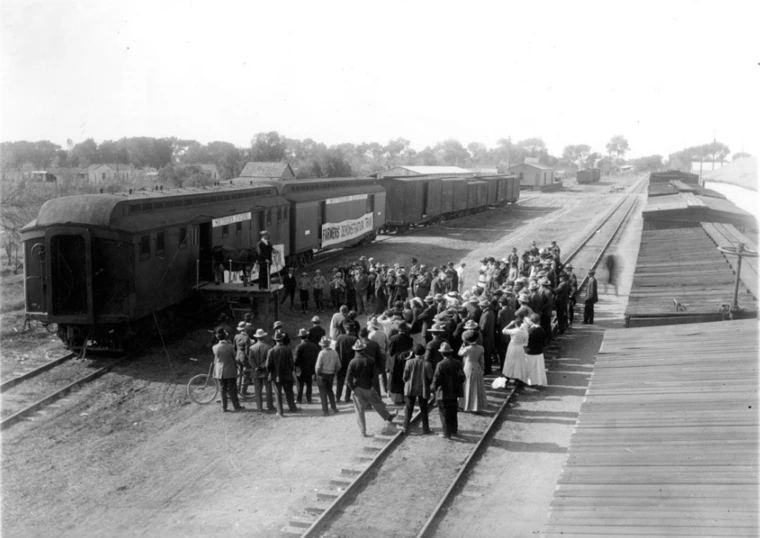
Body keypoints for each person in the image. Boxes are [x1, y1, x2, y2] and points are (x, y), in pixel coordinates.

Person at [346, 340, 398, 437]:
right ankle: (388, 417)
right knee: (378, 403)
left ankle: (363, 432)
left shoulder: (352, 362)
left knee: (359, 411)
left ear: (356, 350)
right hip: (368, 387)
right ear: (363, 349)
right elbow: (375, 375)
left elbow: (348, 379)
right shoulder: (370, 360)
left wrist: (353, 388)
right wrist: (371, 385)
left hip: (357, 388)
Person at [431, 342, 465, 439]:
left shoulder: (440, 364)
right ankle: (454, 430)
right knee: (453, 411)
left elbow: (436, 379)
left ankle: (446, 433)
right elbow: (462, 377)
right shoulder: (458, 363)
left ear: (442, 353)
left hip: (442, 392)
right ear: (450, 352)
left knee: (444, 413)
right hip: (454, 392)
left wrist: (432, 389)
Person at [401, 343, 433, 435]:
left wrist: (407, 383)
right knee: (424, 409)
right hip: (423, 389)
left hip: (410, 388)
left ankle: (405, 427)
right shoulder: (427, 364)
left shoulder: (409, 362)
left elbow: (405, 377)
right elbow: (430, 377)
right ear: (423, 353)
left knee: (409, 408)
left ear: (414, 353)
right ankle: (425, 429)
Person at [266, 330, 299, 416]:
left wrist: (271, 371)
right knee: (289, 392)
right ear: (282, 339)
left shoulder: (271, 351)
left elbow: (268, 365)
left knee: (278, 394)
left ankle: (280, 412)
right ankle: (292, 408)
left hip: (276, 375)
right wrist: (290, 370)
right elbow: (292, 364)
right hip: (287, 374)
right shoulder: (288, 349)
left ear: (275, 340)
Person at [212, 328, 243, 412]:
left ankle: (224, 407)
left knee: (222, 390)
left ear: (217, 337)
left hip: (219, 371)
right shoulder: (230, 347)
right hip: (230, 370)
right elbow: (234, 357)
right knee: (232, 389)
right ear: (225, 336)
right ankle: (236, 406)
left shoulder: (214, 348)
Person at [459, 330, 488, 413]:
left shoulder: (467, 349)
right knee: (477, 387)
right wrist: (482, 369)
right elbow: (482, 360)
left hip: (468, 368)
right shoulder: (481, 348)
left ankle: (464, 405)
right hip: (477, 367)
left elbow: (459, 353)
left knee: (467, 386)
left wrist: (462, 345)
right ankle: (476, 407)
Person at [387, 321, 413, 404]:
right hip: (406, 359)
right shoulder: (409, 339)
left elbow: (390, 352)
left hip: (396, 361)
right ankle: (405, 397)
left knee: (395, 378)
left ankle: (397, 399)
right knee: (405, 377)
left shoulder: (393, 338)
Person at [247, 328, 273, 412]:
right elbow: (268, 360)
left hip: (256, 372)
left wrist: (256, 367)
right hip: (265, 371)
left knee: (257, 390)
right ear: (264, 337)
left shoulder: (252, 348)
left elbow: (250, 360)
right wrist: (262, 366)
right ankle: (269, 405)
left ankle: (259, 407)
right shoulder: (268, 347)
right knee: (268, 389)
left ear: (257, 337)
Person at [315, 336, 340, 415]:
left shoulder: (322, 353)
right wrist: (334, 371)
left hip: (322, 374)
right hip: (331, 374)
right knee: (330, 391)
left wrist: (317, 374)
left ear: (322, 345)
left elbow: (318, 366)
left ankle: (325, 411)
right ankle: (334, 408)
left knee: (323, 393)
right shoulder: (335, 353)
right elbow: (339, 365)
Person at [294, 328, 319, 404]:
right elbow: (316, 358)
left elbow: (296, 360)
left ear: (300, 337)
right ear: (307, 336)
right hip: (310, 368)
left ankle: (299, 399)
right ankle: (309, 399)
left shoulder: (299, 347)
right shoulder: (314, 346)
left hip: (300, 369)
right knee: (309, 385)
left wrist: (294, 366)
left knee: (299, 385)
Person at [502, 316, 528, 386]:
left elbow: (503, 330)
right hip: (520, 347)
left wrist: (510, 324)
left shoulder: (513, 330)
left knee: (510, 361)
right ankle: (518, 378)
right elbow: (526, 343)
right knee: (519, 362)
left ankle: (507, 377)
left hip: (512, 346)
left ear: (515, 324)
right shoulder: (525, 332)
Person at [335, 326, 358, 402]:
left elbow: (336, 349)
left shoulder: (339, 337)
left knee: (339, 381)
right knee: (349, 380)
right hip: (350, 363)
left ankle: (337, 397)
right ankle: (347, 398)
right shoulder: (354, 339)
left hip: (341, 362)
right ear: (352, 331)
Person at [523, 314, 548, 387]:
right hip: (539, 352)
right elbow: (543, 342)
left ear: (531, 321)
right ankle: (539, 381)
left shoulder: (529, 331)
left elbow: (525, 342)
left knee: (530, 368)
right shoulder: (542, 330)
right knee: (539, 369)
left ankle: (530, 382)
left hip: (529, 352)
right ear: (539, 321)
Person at [233, 321, 252, 395]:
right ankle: (243, 391)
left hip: (237, 356)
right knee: (246, 373)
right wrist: (249, 359)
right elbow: (247, 351)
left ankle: (237, 389)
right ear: (246, 329)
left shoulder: (236, 336)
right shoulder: (247, 337)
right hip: (244, 357)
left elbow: (234, 348)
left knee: (238, 374)